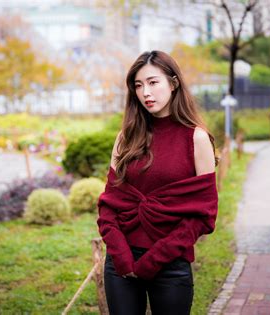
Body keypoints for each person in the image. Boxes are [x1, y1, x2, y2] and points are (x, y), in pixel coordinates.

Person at [97, 50, 219, 315]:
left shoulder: (196, 139)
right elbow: (108, 204)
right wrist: (121, 255)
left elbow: (204, 215)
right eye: (138, 85)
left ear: (173, 84)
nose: (145, 93)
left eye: (153, 82)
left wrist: (154, 259)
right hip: (120, 263)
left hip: (170, 264)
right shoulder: (126, 137)